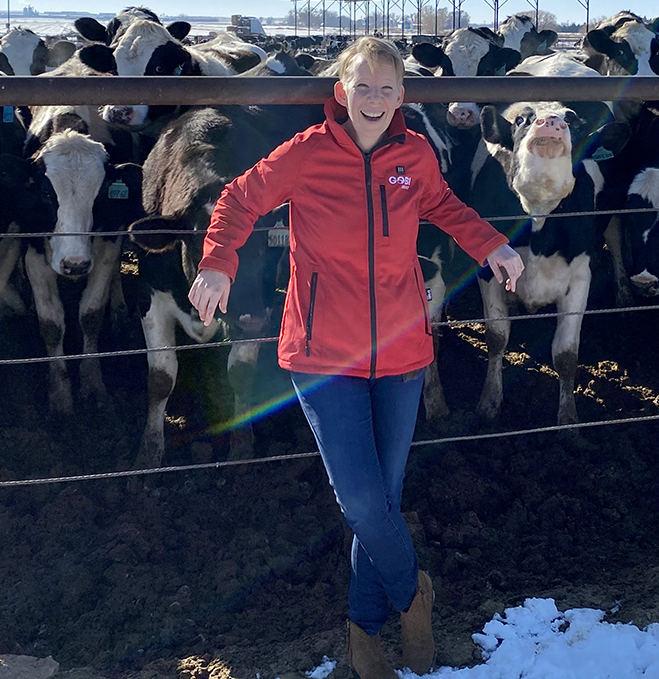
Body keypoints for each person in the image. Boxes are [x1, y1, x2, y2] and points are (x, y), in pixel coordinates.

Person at [188, 36, 524, 678]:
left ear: (403, 96)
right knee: (363, 504)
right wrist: (219, 264)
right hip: (321, 354)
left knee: (385, 498)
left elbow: (445, 206)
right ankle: (413, 596)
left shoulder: (414, 154)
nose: (373, 98)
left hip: (400, 353)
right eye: (361, 86)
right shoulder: (309, 153)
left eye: (386, 88)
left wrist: (492, 246)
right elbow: (238, 200)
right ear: (340, 92)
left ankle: (364, 636)